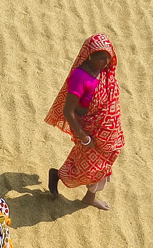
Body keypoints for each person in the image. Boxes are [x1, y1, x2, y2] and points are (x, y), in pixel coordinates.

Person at [45, 34, 124, 210]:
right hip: (89, 131)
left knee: (103, 166)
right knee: (87, 168)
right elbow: (68, 111)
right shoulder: (80, 77)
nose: (105, 61)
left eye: (108, 56)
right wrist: (83, 136)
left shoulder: (104, 73)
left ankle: (90, 197)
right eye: (100, 56)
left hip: (108, 132)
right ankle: (57, 175)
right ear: (89, 55)